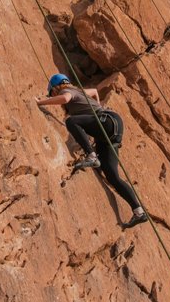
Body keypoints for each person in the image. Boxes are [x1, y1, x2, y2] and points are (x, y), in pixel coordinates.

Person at [35, 73, 148, 229]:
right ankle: (139, 211)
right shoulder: (80, 91)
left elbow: (65, 99)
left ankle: (91, 155)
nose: (53, 95)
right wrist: (97, 107)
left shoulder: (66, 91)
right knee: (112, 175)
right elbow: (94, 91)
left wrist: (42, 102)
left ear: (55, 88)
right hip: (112, 126)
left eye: (52, 93)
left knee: (71, 121)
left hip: (106, 122)